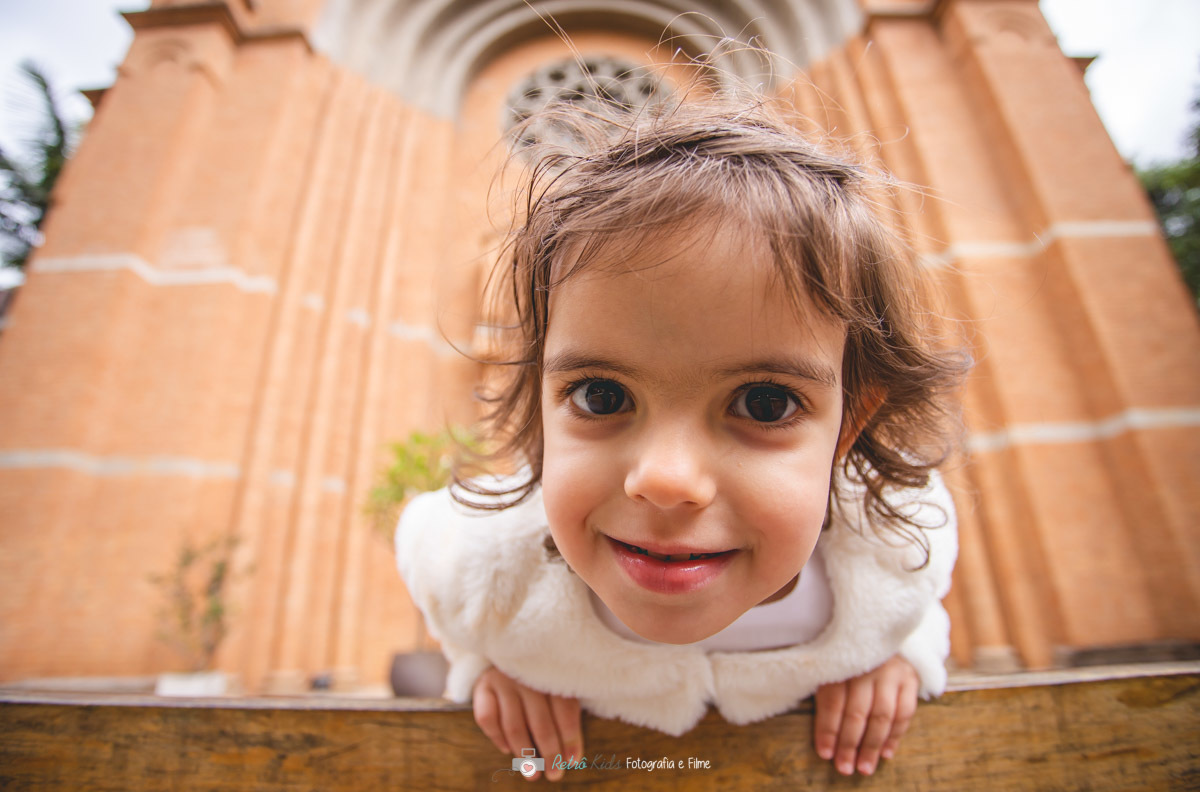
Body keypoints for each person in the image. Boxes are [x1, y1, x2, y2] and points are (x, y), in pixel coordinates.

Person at [396, 89, 970, 782]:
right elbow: (448, 592)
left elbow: (913, 607)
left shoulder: (891, 548)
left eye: (764, 404)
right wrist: (490, 665)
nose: (666, 480)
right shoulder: (490, 569)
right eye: (602, 396)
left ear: (848, 426)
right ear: (543, 403)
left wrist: (900, 655)